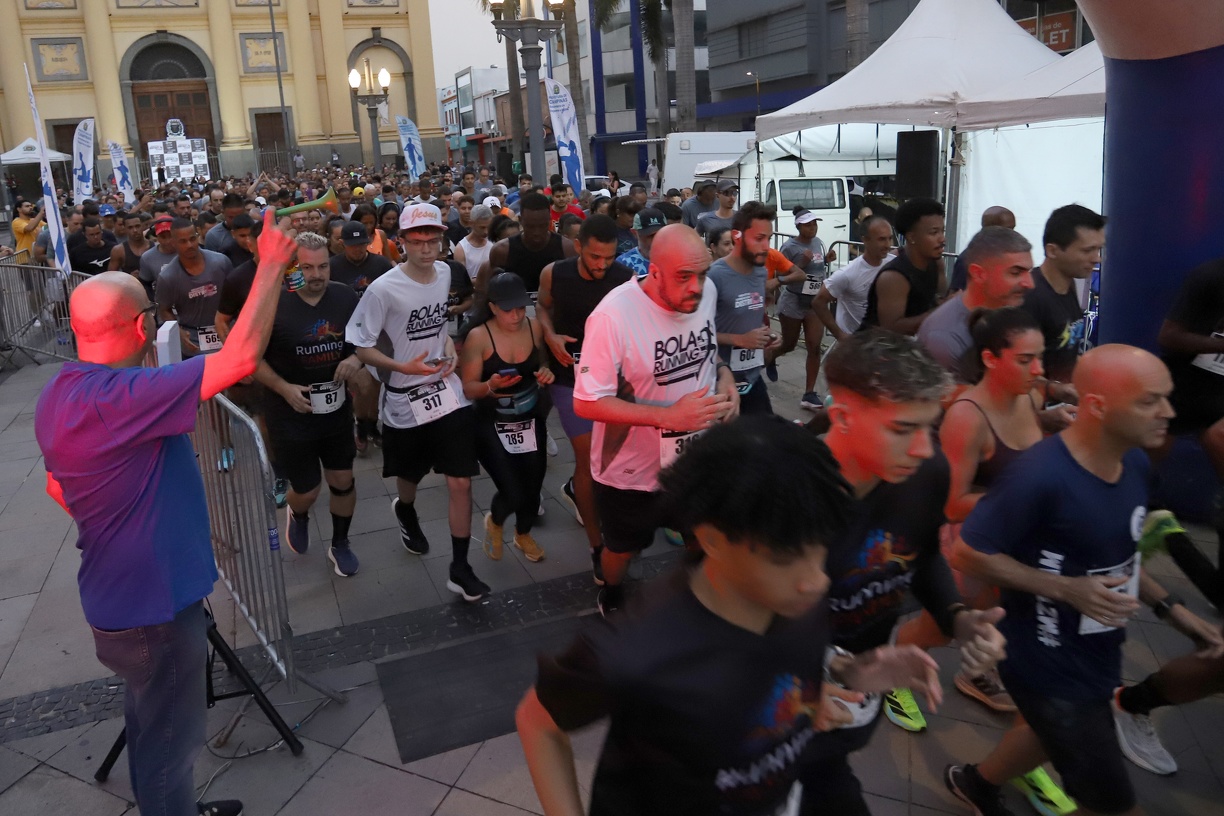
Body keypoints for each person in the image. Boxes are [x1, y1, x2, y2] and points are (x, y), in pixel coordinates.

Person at [516, 415, 948, 815]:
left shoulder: (795, 594)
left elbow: (782, 667)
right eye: (784, 558)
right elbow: (537, 724)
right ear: (713, 539)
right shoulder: (634, 650)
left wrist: (849, 671)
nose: (815, 581)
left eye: (822, 548)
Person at [34, 209, 295, 816]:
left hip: (118, 597)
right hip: (154, 607)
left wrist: (121, 507)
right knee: (169, 747)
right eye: (149, 315)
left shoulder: (60, 393)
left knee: (150, 721)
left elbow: (56, 487)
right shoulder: (121, 397)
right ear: (138, 326)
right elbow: (238, 360)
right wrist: (273, 263)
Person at [947, 345, 1224, 816]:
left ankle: (976, 783)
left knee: (1043, 733)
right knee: (1112, 803)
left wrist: (1172, 611)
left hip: (1098, 651)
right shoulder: (1040, 475)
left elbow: (1117, 556)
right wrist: (1066, 589)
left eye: (1167, 398)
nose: (1170, 413)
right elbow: (968, 552)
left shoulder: (1134, 464)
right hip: (1047, 664)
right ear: (1096, 407)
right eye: (1149, 401)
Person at [797, 330, 1007, 815]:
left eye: (928, 429)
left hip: (856, 695)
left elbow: (920, 550)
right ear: (844, 417)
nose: (921, 449)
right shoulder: (784, 492)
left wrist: (955, 617)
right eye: (902, 429)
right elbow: (725, 623)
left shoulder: (925, 470)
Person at [573, 224, 741, 616]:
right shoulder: (613, 316)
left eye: (702, 273)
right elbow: (586, 402)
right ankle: (612, 593)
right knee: (623, 548)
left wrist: (725, 378)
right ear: (655, 271)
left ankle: (699, 599)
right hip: (629, 470)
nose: (697, 288)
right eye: (684, 277)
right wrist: (667, 416)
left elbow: (707, 352)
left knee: (703, 534)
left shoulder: (707, 293)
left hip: (694, 459)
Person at [345, 203, 491, 601]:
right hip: (405, 398)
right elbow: (360, 344)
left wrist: (448, 346)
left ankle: (460, 568)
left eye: (433, 240)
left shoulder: (445, 273)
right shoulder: (382, 289)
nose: (427, 249)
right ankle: (405, 510)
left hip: (446, 391)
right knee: (409, 475)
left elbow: (438, 325)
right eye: (417, 241)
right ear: (402, 243)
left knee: (460, 480)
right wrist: (400, 365)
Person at [903, 308, 1046, 713]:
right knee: (941, 627)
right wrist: (1024, 499)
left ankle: (976, 674)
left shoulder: (1031, 396)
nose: (1038, 370)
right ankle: (890, 673)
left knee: (995, 614)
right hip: (969, 540)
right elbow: (951, 503)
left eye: (1041, 358)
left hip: (1010, 539)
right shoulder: (967, 417)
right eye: (1025, 360)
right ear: (989, 359)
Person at [254, 232, 363, 577]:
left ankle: (340, 543)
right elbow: (251, 360)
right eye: (308, 267)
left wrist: (357, 362)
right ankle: (297, 513)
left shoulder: (345, 297)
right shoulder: (273, 302)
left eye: (323, 266)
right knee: (307, 489)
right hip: (291, 414)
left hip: (335, 410)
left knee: (343, 480)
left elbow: (370, 340)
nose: (317, 275)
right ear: (293, 268)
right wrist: (284, 388)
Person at [536, 215, 635, 582]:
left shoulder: (625, 278)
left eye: (608, 258)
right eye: (594, 257)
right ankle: (598, 547)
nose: (601, 265)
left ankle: (584, 496)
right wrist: (550, 336)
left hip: (612, 382)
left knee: (615, 459)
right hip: (570, 380)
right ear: (579, 246)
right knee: (591, 459)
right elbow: (542, 308)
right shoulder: (555, 274)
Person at [459, 272, 553, 563]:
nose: (515, 315)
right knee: (513, 491)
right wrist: (490, 386)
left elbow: (544, 362)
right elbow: (469, 388)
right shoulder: (479, 336)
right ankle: (496, 522)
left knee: (534, 487)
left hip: (529, 416)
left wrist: (545, 373)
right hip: (492, 421)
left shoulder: (534, 327)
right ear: (493, 307)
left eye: (520, 308)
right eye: (508, 309)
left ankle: (523, 533)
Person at [916, 226, 1034, 382]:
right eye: (1016, 273)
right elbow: (961, 404)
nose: (1030, 283)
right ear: (979, 274)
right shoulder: (944, 337)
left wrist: (1052, 389)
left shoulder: (1008, 312)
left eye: (1029, 272)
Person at [709, 201, 783, 415]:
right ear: (737, 236)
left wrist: (767, 335)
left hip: (751, 377)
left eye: (769, 238)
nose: (766, 246)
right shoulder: (715, 276)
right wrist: (739, 340)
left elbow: (750, 317)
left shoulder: (760, 272)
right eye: (759, 239)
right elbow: (696, 334)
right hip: (721, 381)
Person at [1019, 204, 1106, 385]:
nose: (1097, 258)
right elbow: (1018, 369)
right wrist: (1054, 391)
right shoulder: (1031, 297)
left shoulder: (1069, 285)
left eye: (1098, 250)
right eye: (1087, 250)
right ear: (1053, 251)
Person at [771, 207, 838, 409]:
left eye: (815, 224)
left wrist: (827, 260)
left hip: (814, 301)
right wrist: (803, 261)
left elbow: (818, 268)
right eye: (809, 225)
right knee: (789, 344)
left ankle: (809, 394)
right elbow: (782, 273)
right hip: (793, 299)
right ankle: (769, 357)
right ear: (799, 226)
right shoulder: (789, 247)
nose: (813, 228)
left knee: (814, 347)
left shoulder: (818, 243)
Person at [860, 197, 946, 334]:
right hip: (875, 350)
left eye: (942, 231)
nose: (942, 239)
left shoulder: (937, 263)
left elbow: (941, 299)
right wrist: (942, 311)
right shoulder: (894, 277)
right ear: (911, 237)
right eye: (934, 232)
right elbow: (891, 328)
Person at [477, 192, 576, 305]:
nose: (536, 232)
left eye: (542, 225)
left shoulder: (567, 249)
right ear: (520, 220)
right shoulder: (502, 251)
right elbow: (486, 293)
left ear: (549, 220)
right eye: (531, 226)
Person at [156, 218, 233, 358]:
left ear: (198, 236)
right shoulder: (167, 277)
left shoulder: (221, 262)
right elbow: (164, 309)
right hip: (193, 338)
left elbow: (236, 295)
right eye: (183, 241)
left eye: (192, 239)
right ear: (173, 243)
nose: (190, 245)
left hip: (228, 330)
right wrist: (177, 331)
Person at [815, 215, 893, 339]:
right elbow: (818, 302)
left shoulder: (893, 264)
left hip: (884, 341)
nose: (888, 245)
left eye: (890, 238)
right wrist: (840, 335)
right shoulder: (847, 274)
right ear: (865, 240)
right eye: (882, 239)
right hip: (857, 343)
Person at [948, 207, 1017, 293]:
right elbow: (956, 297)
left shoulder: (1006, 256)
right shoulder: (969, 260)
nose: (1012, 235)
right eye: (1007, 230)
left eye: (1013, 229)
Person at [615, 207, 666, 279]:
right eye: (650, 236)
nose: (655, 240)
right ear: (635, 233)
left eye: (660, 234)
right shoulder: (623, 263)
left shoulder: (677, 259)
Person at [136, 216, 177, 300]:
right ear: (157, 237)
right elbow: (146, 284)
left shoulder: (188, 250)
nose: (168, 241)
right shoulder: (147, 257)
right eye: (163, 237)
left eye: (171, 236)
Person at [454, 203, 494, 282]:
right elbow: (462, 280)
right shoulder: (461, 249)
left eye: (488, 227)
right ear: (471, 223)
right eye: (482, 227)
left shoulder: (493, 243)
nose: (486, 232)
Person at [108, 211, 150, 276]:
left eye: (137, 226)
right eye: (130, 227)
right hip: (129, 285)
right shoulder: (118, 251)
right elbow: (110, 277)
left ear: (143, 226)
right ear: (125, 229)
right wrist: (128, 277)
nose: (135, 230)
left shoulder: (155, 247)